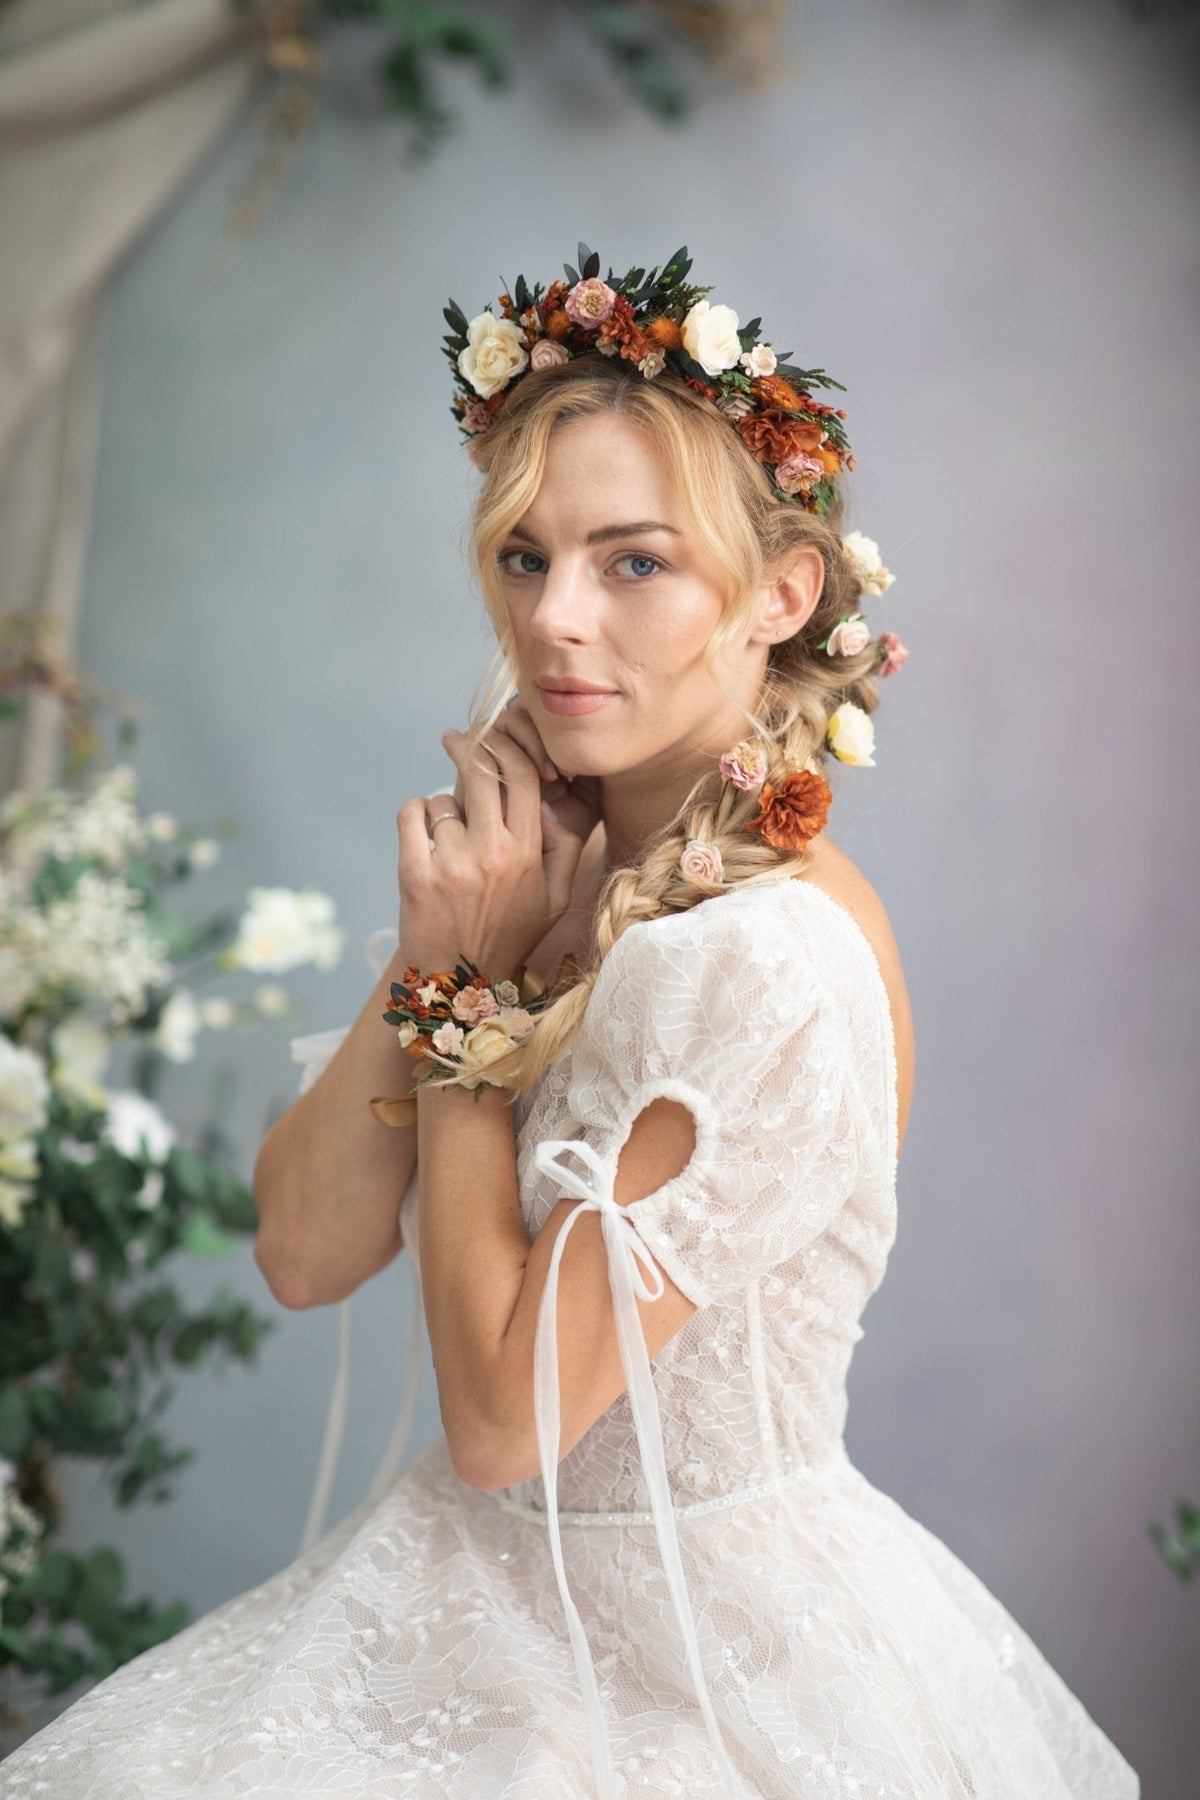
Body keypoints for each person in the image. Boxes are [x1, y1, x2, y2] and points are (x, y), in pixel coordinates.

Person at [0, 248, 1141, 1799]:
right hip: (480, 1590)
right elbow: (303, 1251)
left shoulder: (761, 957)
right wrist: (444, 957)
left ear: (782, 595)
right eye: (526, 558)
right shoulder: (557, 868)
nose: (556, 621)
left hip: (685, 1660)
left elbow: (503, 1420)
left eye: (634, 563)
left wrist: (471, 1008)